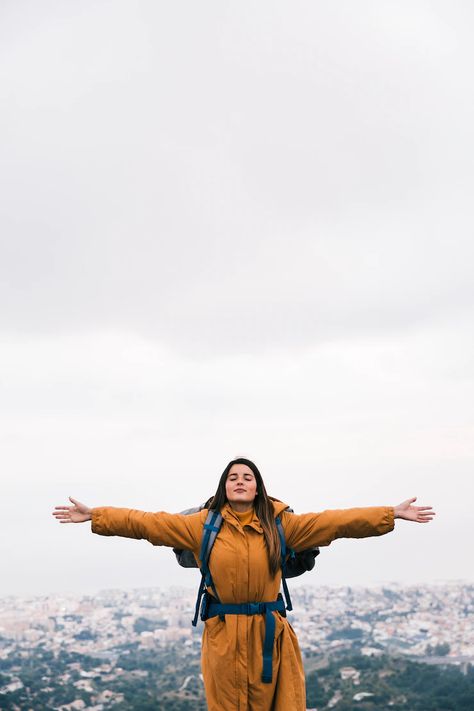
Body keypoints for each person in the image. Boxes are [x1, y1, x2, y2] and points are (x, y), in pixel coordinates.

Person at [52, 457, 435, 711]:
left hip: (271, 632)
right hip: (223, 634)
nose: (240, 481)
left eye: (247, 477)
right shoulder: (200, 525)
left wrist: (390, 513)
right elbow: (146, 523)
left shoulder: (282, 524)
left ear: (257, 488)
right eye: (233, 477)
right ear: (224, 487)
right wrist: (96, 516)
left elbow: (336, 522)